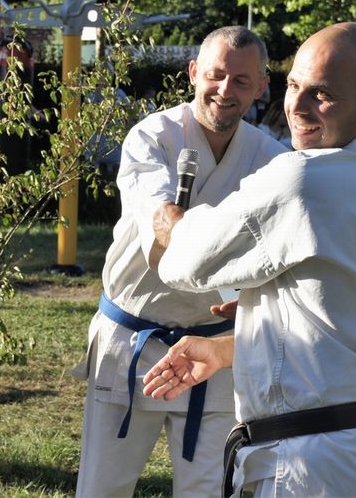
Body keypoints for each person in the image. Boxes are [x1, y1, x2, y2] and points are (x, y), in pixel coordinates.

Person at [144, 23, 356, 497]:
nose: (296, 106)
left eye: (323, 94)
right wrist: (245, 335)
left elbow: (187, 263)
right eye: (294, 85)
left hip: (305, 464)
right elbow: (351, 325)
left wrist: (172, 223)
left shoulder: (304, 178)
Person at [73, 26, 287, 497]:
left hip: (215, 351)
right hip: (134, 339)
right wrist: (201, 249)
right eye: (215, 75)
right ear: (193, 73)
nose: (225, 90)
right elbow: (159, 214)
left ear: (261, 86)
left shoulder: (273, 160)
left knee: (211, 490)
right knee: (103, 488)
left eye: (241, 81)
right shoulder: (153, 136)